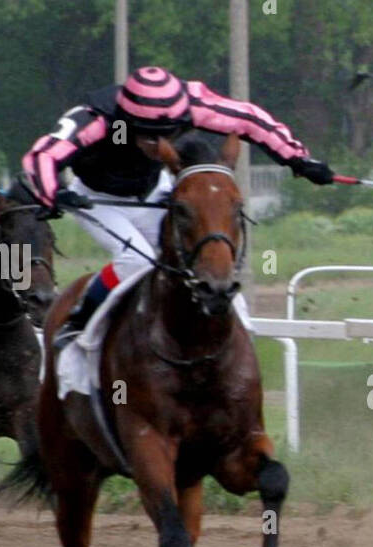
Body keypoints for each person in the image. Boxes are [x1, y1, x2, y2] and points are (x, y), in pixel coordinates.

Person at [22, 66, 335, 344]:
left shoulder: (192, 104)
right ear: (126, 123)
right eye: (149, 137)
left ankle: (239, 331)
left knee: (196, 256)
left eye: (168, 135)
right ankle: (80, 316)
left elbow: (250, 120)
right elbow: (43, 155)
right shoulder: (97, 117)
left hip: (155, 189)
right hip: (96, 199)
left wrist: (299, 159)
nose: (160, 146)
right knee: (137, 261)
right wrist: (51, 194)